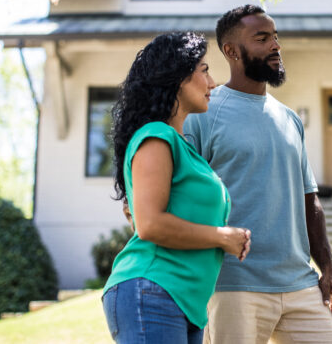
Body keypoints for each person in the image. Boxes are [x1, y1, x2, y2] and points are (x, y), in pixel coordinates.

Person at [184, 5, 332, 344]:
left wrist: (329, 270)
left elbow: (309, 200)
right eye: (262, 38)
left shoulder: (289, 119)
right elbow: (185, 197)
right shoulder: (202, 115)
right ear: (231, 51)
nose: (275, 45)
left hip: (300, 283)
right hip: (233, 285)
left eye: (275, 37)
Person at [102, 32, 252, 344]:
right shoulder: (157, 136)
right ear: (178, 76)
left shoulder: (185, 148)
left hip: (184, 302)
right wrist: (223, 237)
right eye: (205, 70)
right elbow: (150, 225)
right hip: (153, 289)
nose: (213, 83)